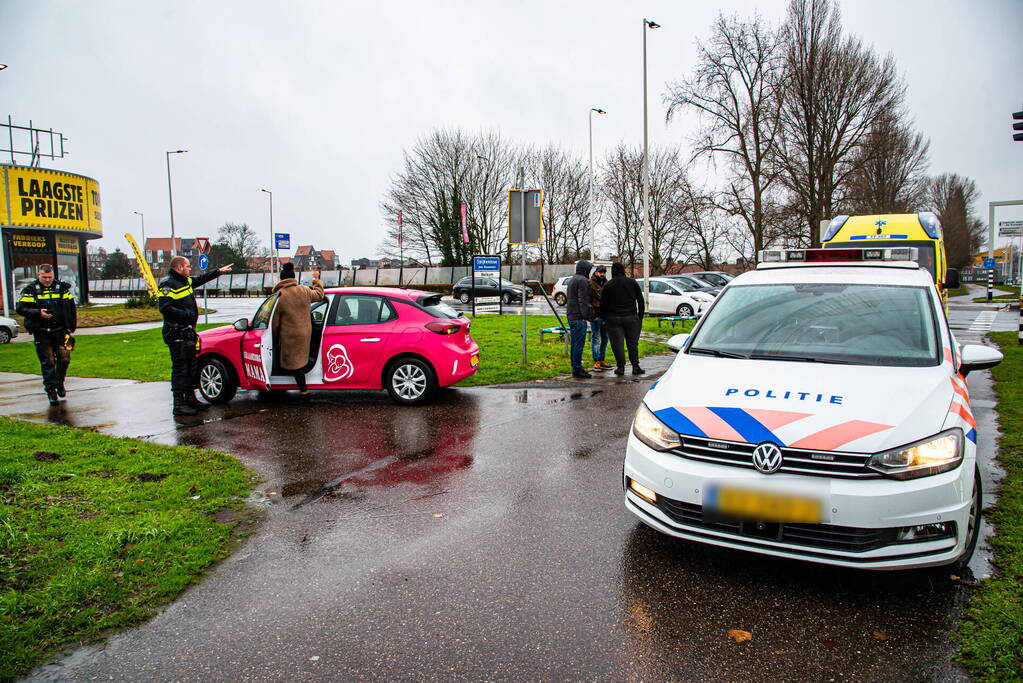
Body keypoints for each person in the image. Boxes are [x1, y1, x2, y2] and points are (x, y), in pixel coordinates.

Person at [158, 256, 233, 416]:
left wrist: (218, 272)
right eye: (187, 266)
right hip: (177, 333)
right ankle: (179, 404)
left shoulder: (185, 282)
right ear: (179, 268)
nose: (189, 269)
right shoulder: (168, 284)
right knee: (180, 369)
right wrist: (186, 314)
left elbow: (201, 279)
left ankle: (191, 399)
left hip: (189, 333)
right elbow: (165, 308)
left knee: (191, 367)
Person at [16, 264, 77, 405]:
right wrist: (38, 313)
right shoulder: (31, 290)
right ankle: (51, 392)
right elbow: (21, 308)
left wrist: (71, 327)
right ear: (39, 275)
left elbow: (70, 308)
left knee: (64, 360)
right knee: (48, 363)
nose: (48, 280)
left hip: (61, 331)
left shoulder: (61, 288)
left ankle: (59, 383)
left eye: (50, 277)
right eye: (45, 277)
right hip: (42, 332)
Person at [271, 262, 325, 397]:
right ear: (293, 277)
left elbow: (275, 322)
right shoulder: (304, 290)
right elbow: (319, 294)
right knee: (300, 359)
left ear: (281, 279)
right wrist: (316, 279)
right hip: (306, 332)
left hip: (289, 335)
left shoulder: (280, 296)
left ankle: (303, 389)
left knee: (294, 363)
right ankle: (301, 385)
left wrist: (273, 334)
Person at [601, 261, 645, 376]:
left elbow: (603, 304)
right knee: (632, 343)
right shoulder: (632, 282)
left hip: (613, 319)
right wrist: (640, 316)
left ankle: (620, 368)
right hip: (631, 317)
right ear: (623, 270)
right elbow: (640, 300)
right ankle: (635, 366)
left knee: (617, 344)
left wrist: (604, 319)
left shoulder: (608, 285)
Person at [565, 258, 593, 378]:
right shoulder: (583, 281)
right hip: (579, 317)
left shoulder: (572, 280)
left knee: (575, 343)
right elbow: (583, 300)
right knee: (578, 344)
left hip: (571, 315)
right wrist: (586, 316)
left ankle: (575, 366)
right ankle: (577, 368)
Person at [588, 265, 609, 371]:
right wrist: (592, 315)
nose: (602, 274)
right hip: (595, 316)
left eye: (604, 272)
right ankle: (596, 360)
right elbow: (588, 300)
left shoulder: (606, 283)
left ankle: (601, 359)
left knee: (605, 339)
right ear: (596, 272)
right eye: (601, 272)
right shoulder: (590, 283)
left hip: (605, 316)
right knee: (596, 338)